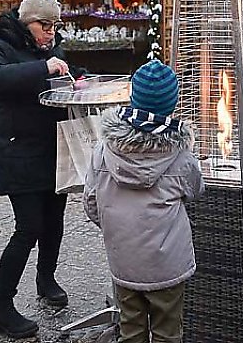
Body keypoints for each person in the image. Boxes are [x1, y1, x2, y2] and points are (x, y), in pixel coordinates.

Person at [0, 0, 82, 339]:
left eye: (55, 26)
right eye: (45, 25)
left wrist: (76, 77)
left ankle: (46, 278)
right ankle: (1, 308)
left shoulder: (49, 47)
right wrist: (43, 67)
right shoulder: (1, 43)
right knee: (28, 227)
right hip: (18, 152)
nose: (51, 32)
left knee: (54, 221)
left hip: (52, 151)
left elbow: (59, 72)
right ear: (27, 22)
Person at [84, 60, 204, 343]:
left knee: (131, 330)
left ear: (133, 97)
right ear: (172, 105)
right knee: (167, 331)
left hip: (124, 261)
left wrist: (119, 228)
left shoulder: (103, 150)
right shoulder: (181, 157)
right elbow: (195, 190)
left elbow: (91, 202)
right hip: (167, 265)